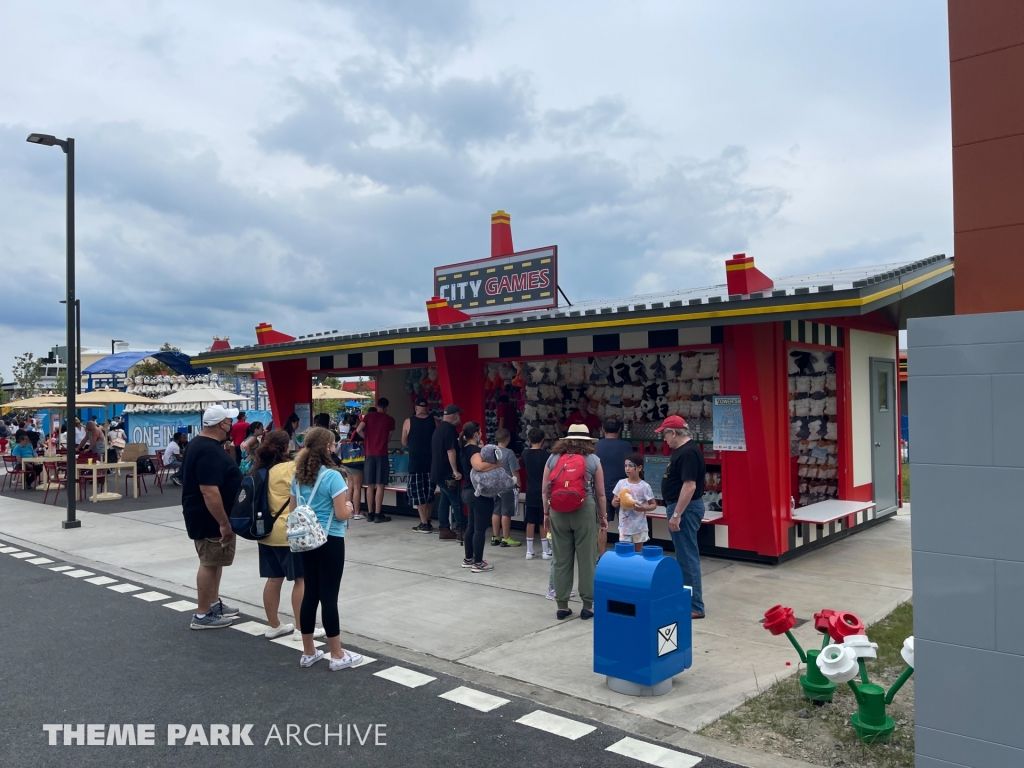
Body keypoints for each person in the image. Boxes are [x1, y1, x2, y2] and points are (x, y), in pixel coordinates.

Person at [289, 426, 362, 670]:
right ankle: (337, 654)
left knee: (310, 593)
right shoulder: (333, 476)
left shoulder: (298, 476)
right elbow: (341, 514)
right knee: (329, 597)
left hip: (305, 541)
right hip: (330, 539)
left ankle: (308, 651)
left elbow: (292, 512)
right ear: (328, 447)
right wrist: (351, 507)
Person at [251, 430, 326, 641]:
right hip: (290, 533)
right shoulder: (290, 468)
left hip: (265, 531)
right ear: (286, 447)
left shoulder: (260, 470)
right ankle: (302, 628)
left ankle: (274, 625)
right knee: (301, 580)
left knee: (273, 579)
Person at [181, 405, 243, 630]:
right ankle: (202, 613)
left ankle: (212, 603)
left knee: (216, 560)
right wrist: (224, 523)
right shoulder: (207, 449)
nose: (231, 425)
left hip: (207, 516)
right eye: (229, 421)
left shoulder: (201, 444)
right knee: (209, 561)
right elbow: (209, 490)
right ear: (221, 425)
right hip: (209, 518)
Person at [542, 423, 607, 621]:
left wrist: (546, 513)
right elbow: (601, 493)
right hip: (584, 509)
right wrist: (603, 517)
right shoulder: (593, 460)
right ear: (588, 441)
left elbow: (545, 490)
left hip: (557, 510)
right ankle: (588, 605)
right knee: (587, 559)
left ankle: (562, 605)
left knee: (561, 559)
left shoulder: (553, 459)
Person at [656, 414, 707, 620]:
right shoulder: (686, 451)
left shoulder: (687, 453)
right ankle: (688, 599)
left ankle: (695, 606)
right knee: (684, 555)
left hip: (684, 509)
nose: (664, 439)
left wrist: (677, 514)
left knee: (687, 557)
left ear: (674, 432)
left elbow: (689, 485)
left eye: (665, 434)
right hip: (681, 508)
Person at [459, 422, 501, 573]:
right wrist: (497, 465)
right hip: (479, 494)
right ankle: (478, 563)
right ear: (476, 434)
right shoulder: (474, 451)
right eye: (480, 433)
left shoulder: (464, 449)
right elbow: (479, 466)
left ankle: (468, 558)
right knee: (480, 529)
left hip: (468, 491)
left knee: (471, 526)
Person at [594, 417, 633, 557]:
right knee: (626, 526)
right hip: (622, 491)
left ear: (602, 429)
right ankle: (626, 555)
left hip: (601, 491)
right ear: (620, 430)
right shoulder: (626, 446)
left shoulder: (596, 446)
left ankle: (602, 556)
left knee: (603, 526)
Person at [403, 398, 438, 534]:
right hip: (431, 462)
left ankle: (424, 523)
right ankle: (428, 520)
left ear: (415, 408)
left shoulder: (408, 421)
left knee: (418, 494)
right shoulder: (434, 421)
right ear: (427, 408)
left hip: (415, 462)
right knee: (429, 492)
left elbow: (404, 442)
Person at [430, 404, 463, 541]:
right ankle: (462, 529)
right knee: (457, 501)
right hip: (447, 473)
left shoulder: (439, 429)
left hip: (437, 471)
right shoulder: (450, 429)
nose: (460, 418)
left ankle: (444, 529)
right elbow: (451, 451)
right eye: (459, 415)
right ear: (454, 415)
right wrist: (455, 471)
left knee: (444, 500)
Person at [611, 453, 657, 552]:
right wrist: (615, 502)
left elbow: (653, 505)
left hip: (639, 526)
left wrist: (643, 508)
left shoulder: (645, 486)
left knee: (638, 553)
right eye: (625, 466)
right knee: (625, 552)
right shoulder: (621, 483)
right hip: (624, 526)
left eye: (630, 465)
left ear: (639, 468)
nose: (627, 468)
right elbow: (613, 503)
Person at [520, 427, 551, 561]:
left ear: (529, 439)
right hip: (543, 490)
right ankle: (545, 551)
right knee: (543, 520)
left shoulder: (525, 454)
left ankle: (529, 550)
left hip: (530, 489)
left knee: (530, 521)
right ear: (543, 440)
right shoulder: (547, 456)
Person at [362, 398, 395, 524]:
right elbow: (389, 438)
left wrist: (367, 439)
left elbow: (358, 429)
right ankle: (378, 513)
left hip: (369, 454)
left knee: (370, 485)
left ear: (376, 405)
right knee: (380, 485)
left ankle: (370, 513)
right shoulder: (390, 419)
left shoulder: (368, 417)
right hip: (381, 453)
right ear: (386, 407)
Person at [490, 428, 521, 547]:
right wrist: (518, 484)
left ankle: (495, 536)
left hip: (495, 485)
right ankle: (506, 537)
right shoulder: (509, 453)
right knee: (506, 512)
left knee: (496, 511)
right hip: (507, 486)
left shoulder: (492, 451)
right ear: (508, 439)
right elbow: (514, 471)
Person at [341, 413, 366, 520]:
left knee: (350, 487)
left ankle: (349, 511)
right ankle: (357, 512)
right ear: (357, 421)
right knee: (357, 487)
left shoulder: (349, 431)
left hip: (347, 461)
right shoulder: (359, 432)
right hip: (356, 462)